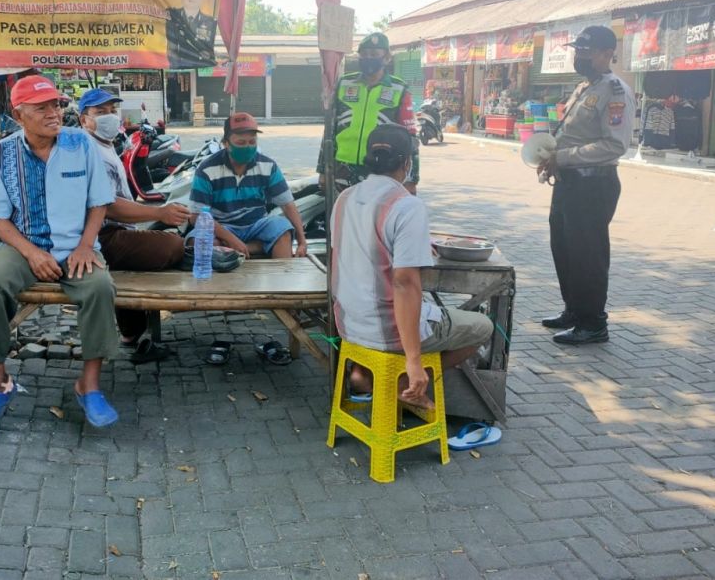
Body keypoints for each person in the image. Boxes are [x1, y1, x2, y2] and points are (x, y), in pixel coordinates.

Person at [0, 73, 119, 431]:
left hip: (76, 248)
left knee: (99, 288)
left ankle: (89, 385)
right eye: (42, 107)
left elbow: (100, 203)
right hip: (20, 246)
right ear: (19, 116)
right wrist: (32, 253)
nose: (54, 113)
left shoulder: (81, 144)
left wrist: (85, 245)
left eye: (57, 105)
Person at [330, 124, 492, 405]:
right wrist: (414, 361)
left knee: (423, 311)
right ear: (407, 163)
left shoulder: (344, 198)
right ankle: (404, 384)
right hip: (385, 331)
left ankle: (365, 376)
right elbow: (405, 283)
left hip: (349, 325)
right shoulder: (406, 206)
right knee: (482, 326)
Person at [537, 25, 636, 345]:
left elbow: (614, 145)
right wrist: (552, 158)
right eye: (577, 50)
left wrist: (563, 157)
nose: (580, 56)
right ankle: (574, 311)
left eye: (587, 51)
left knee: (588, 254)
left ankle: (593, 322)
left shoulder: (615, 91)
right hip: (569, 183)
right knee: (564, 249)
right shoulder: (584, 87)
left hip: (594, 185)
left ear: (608, 53)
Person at [78, 88, 190, 350]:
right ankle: (134, 327)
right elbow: (109, 207)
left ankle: (131, 332)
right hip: (102, 236)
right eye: (100, 112)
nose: (109, 117)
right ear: (84, 119)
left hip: (115, 233)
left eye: (112, 111)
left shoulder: (104, 145)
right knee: (172, 246)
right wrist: (159, 212)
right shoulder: (90, 151)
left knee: (141, 253)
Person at [190, 112, 307, 260]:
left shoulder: (268, 166)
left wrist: (302, 241)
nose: (247, 147)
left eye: (252, 142)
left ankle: (280, 280)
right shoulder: (206, 169)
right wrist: (232, 239)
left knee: (283, 231)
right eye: (240, 143)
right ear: (226, 143)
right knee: (198, 242)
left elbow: (287, 205)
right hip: (222, 226)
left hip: (257, 224)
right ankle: (255, 247)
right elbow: (196, 217)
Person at [318, 31, 420, 195]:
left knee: (375, 218)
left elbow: (411, 139)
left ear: (386, 58)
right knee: (341, 217)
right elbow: (329, 130)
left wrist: (411, 178)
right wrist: (322, 169)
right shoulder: (344, 84)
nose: (368, 58)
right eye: (364, 54)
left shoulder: (399, 89)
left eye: (374, 54)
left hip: (382, 170)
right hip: (342, 168)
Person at [165, 0, 217, 69]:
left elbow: (209, 51)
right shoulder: (172, 16)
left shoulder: (210, 22)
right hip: (178, 69)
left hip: (200, 69)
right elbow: (171, 49)